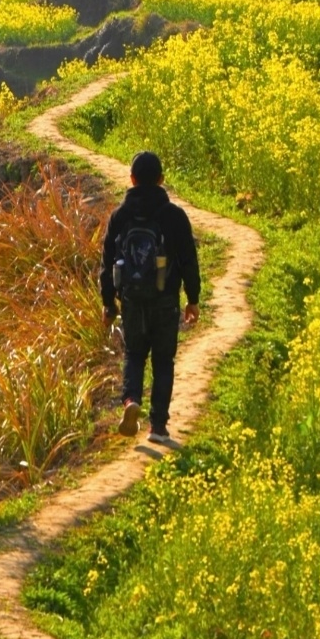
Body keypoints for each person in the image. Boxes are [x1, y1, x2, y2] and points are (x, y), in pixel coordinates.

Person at [101, 150, 200, 444]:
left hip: (131, 300)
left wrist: (108, 303)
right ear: (161, 180)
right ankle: (157, 426)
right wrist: (192, 299)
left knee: (134, 354)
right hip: (165, 299)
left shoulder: (119, 216)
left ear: (131, 180)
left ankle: (131, 399)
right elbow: (188, 261)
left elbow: (107, 265)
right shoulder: (174, 216)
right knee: (163, 360)